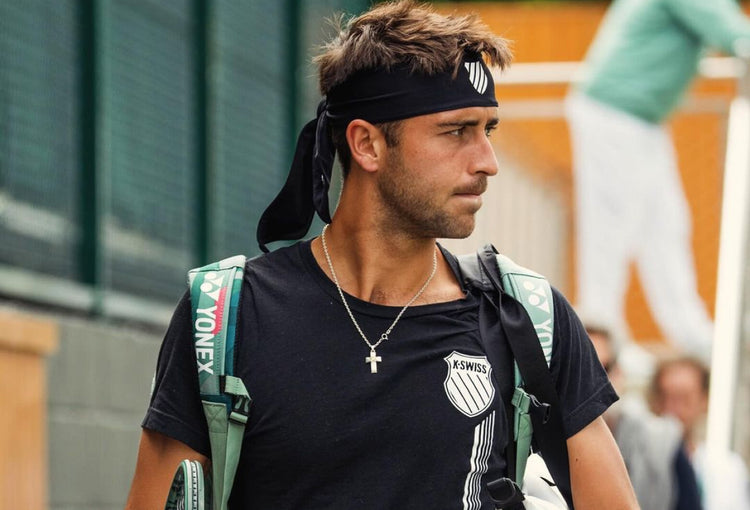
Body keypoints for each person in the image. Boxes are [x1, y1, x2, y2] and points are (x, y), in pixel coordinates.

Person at [125, 2, 638, 508]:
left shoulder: (527, 319)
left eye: (489, 130)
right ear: (367, 145)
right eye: (457, 130)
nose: (488, 162)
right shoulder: (225, 318)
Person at [566, 0, 750, 360]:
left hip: (642, 120)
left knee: (666, 226)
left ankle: (695, 338)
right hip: (614, 114)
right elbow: (732, 33)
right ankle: (600, 344)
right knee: (610, 232)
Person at [586, 322, 702, 510]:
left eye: (602, 368)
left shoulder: (663, 445)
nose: (590, 380)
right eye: (580, 368)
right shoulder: (537, 443)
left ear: (618, 374)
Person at [650, 356, 750, 510]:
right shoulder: (640, 467)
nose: (672, 409)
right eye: (664, 397)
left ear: (704, 400)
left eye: (684, 399)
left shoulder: (729, 469)